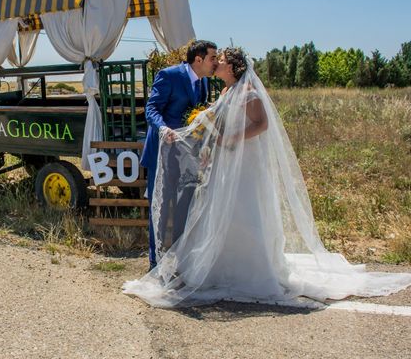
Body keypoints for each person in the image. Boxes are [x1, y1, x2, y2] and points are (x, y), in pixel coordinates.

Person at [124, 47, 411, 308]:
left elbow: (262, 124)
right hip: (217, 160)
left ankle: (248, 266)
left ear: (233, 67)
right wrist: (210, 145)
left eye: (220, 61)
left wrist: (230, 139)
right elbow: (196, 119)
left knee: (242, 209)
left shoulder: (247, 91)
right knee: (213, 209)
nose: (217, 64)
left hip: (243, 161)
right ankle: (181, 263)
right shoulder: (222, 92)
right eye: (215, 59)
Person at [140, 40, 218, 271]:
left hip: (186, 156)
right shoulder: (169, 75)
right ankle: (155, 261)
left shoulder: (203, 82)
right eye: (213, 58)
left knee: (184, 206)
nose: (215, 62)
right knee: (161, 206)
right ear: (198, 59)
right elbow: (151, 108)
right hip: (161, 153)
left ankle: (179, 259)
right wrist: (162, 128)